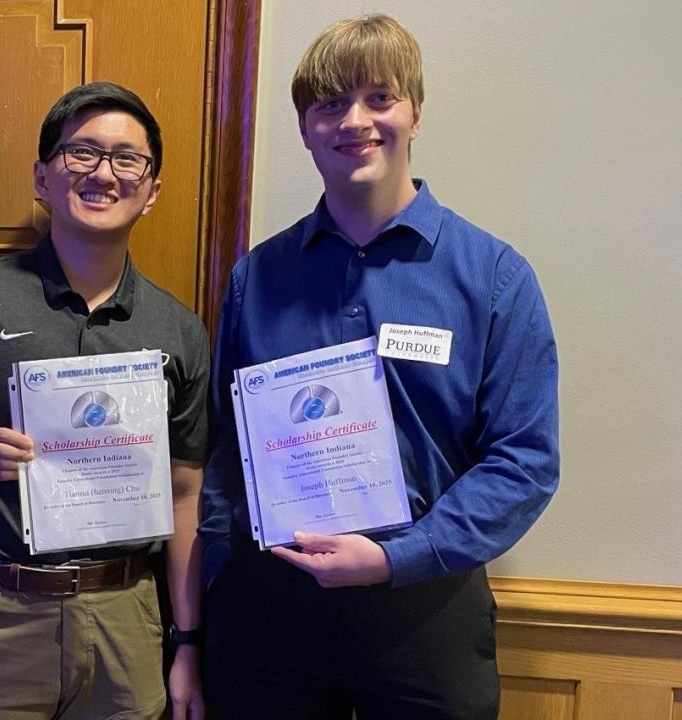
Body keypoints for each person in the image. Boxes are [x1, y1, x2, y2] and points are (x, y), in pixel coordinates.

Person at [199, 15, 560, 720]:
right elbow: (223, 448)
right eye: (329, 104)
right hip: (269, 613)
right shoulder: (255, 278)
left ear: (415, 114)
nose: (354, 121)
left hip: (425, 610)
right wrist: (219, 576)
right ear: (305, 128)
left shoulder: (493, 278)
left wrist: (400, 556)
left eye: (379, 98)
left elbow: (524, 460)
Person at [0, 82, 208, 720]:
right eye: (81, 152)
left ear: (152, 190)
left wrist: (188, 641)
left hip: (127, 615)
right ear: (43, 177)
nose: (104, 173)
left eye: (126, 158)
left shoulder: (179, 329)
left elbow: (187, 492)